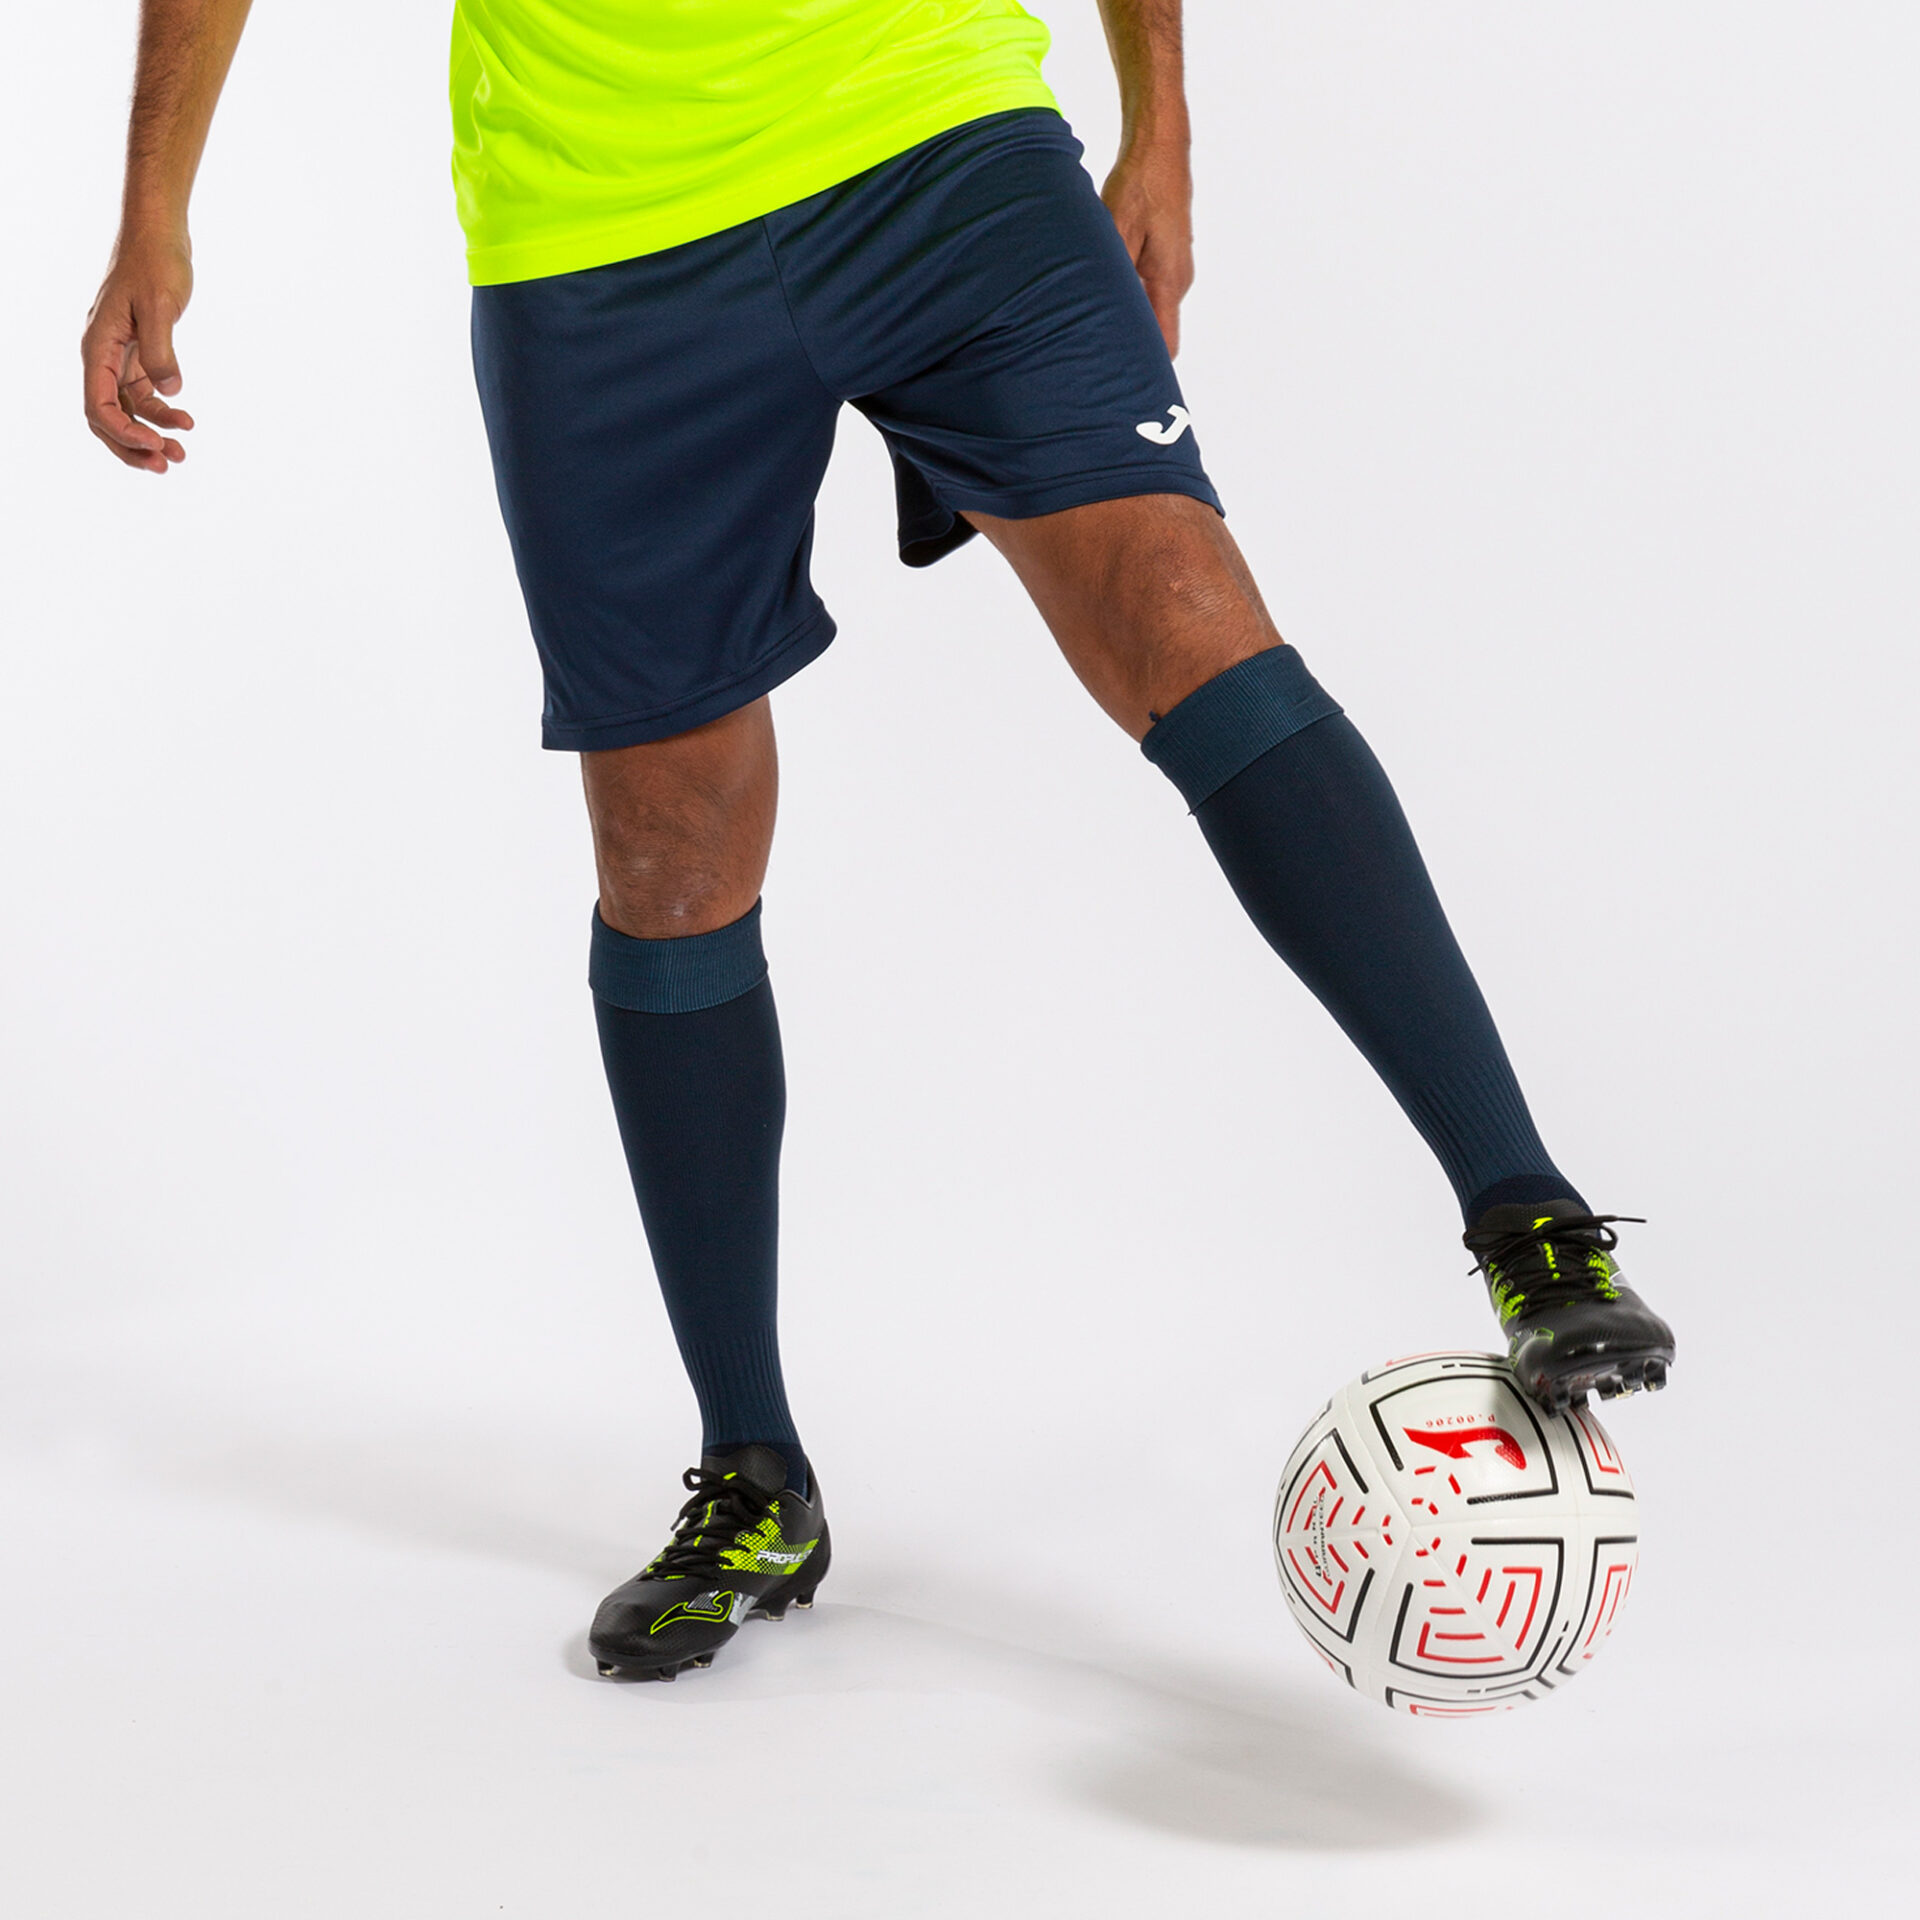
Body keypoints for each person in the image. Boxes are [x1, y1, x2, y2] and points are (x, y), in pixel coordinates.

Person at [81, 0, 1674, 1682]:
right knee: (668, 844)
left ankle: (1530, 1219)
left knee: (1186, 613)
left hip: (928, 126)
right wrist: (153, 206)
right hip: (597, 217)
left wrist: (1162, 127)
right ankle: (752, 1471)